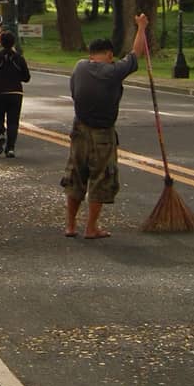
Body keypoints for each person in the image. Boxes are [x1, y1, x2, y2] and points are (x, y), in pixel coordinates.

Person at [63, 15, 148, 240]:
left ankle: (70, 225)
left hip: (79, 128)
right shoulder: (113, 71)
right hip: (102, 132)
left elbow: (74, 92)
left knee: (75, 175)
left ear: (91, 53)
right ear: (109, 54)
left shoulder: (79, 66)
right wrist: (141, 27)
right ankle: (91, 227)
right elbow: (136, 53)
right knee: (102, 177)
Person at [0, 31, 30, 157]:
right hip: (16, 93)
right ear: (13, 43)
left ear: (1, 43)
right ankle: (11, 148)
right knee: (13, 121)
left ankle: (0, 135)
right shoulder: (19, 58)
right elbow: (26, 77)